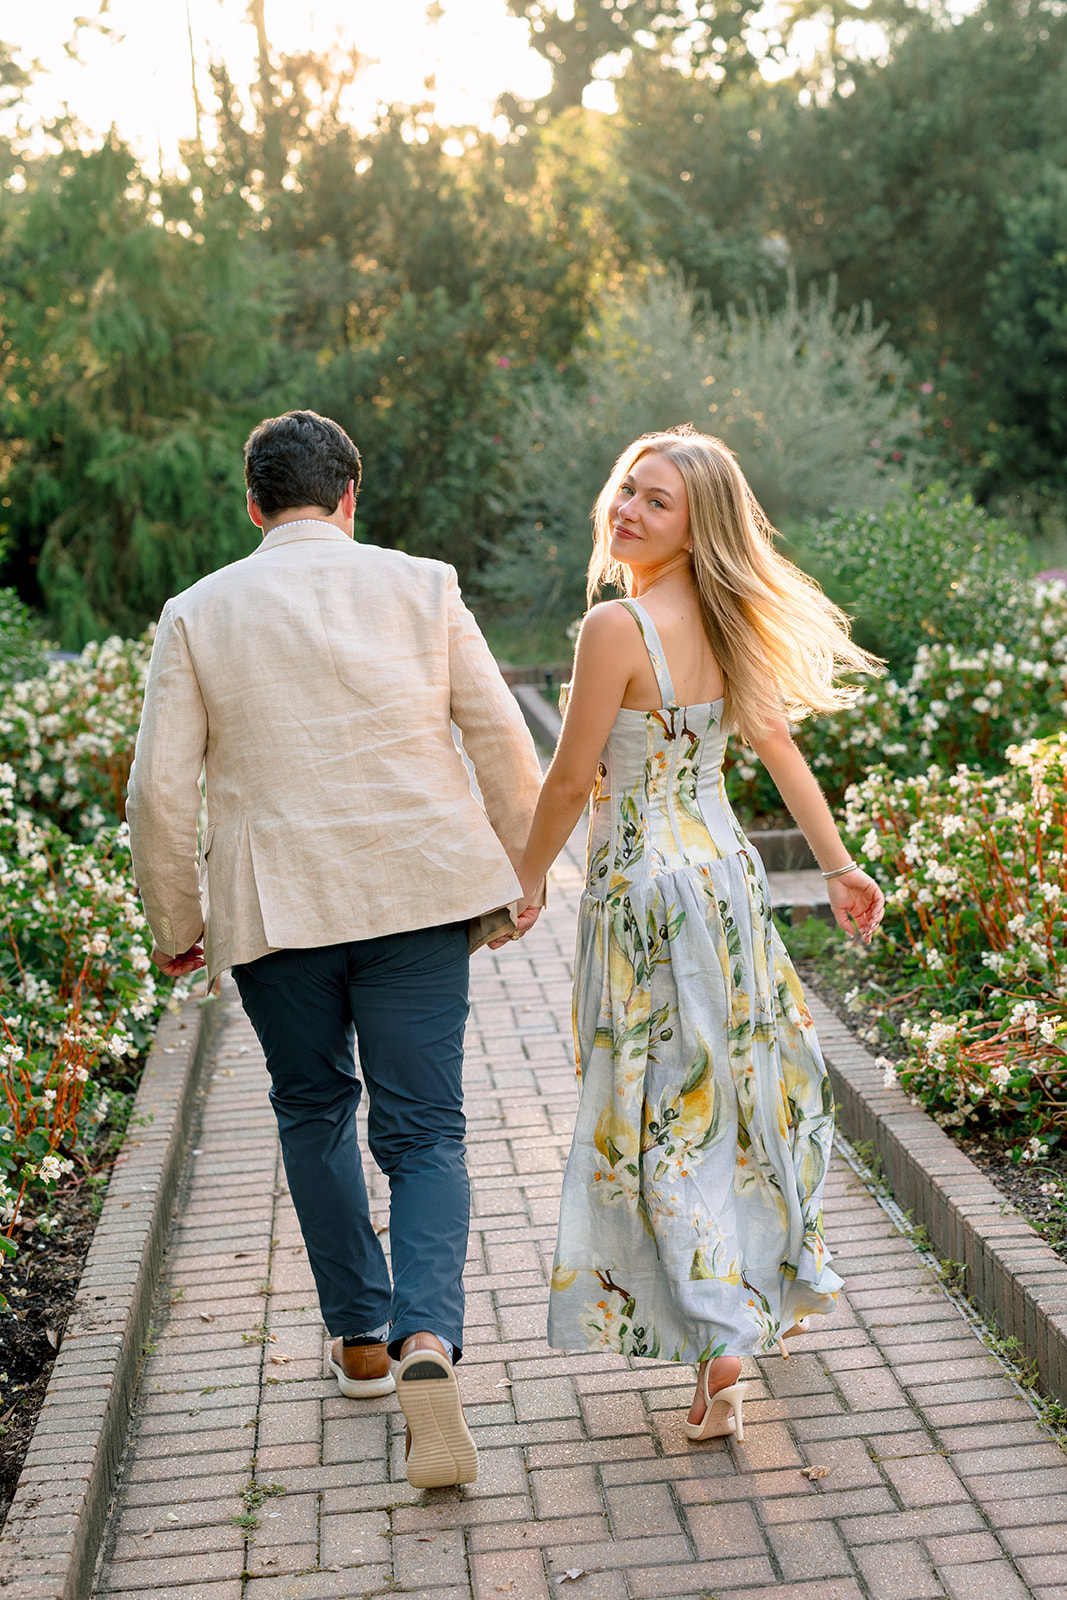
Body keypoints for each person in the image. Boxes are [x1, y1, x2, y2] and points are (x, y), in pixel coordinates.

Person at [126, 409, 544, 1488]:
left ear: (252, 502)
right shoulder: (421, 583)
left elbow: (159, 790)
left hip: (279, 911)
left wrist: (176, 921)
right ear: (350, 497)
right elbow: (499, 731)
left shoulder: (196, 612)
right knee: (426, 1131)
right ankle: (426, 1339)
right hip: (417, 892)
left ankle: (360, 1340)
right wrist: (523, 871)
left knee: (314, 1109)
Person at [514, 426, 884, 1443]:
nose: (626, 511)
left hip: (639, 894)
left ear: (695, 525)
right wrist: (837, 861)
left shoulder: (614, 629)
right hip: (724, 886)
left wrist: (521, 884)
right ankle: (746, 1298)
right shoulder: (726, 618)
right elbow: (776, 753)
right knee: (726, 1100)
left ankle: (719, 1340)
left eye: (655, 501)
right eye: (626, 491)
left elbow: (568, 778)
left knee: (660, 1121)